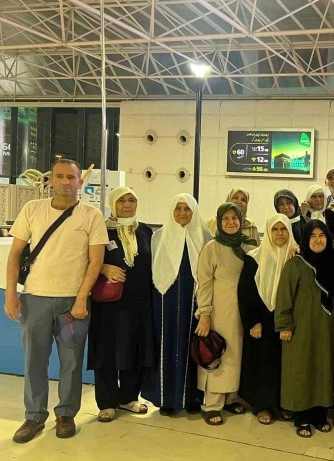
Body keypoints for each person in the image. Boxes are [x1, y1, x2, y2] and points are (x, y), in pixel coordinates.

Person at [6, 159, 108, 443]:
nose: (65, 182)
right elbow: (15, 255)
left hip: (71, 303)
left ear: (80, 182)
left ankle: (66, 414)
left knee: (71, 362)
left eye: (71, 177)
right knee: (34, 361)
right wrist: (12, 294)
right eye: (59, 176)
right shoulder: (32, 209)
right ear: (50, 180)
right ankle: (34, 416)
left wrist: (81, 298)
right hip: (35, 299)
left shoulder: (91, 216)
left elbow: (95, 261)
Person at [88, 187, 154, 423]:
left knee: (134, 349)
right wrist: (104, 268)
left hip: (139, 304)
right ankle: (106, 402)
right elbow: (85, 258)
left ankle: (128, 397)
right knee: (106, 351)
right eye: (121, 201)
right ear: (113, 204)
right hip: (108, 305)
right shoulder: (101, 230)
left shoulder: (145, 231)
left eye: (131, 200)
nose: (127, 205)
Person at [142, 193, 211, 415]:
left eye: (187, 208)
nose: (182, 213)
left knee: (192, 348)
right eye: (178, 208)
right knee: (166, 346)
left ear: (194, 211)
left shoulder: (205, 237)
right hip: (165, 302)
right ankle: (166, 399)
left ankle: (192, 398)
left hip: (195, 302)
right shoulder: (158, 237)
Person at [276, 220, 334, 438]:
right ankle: (301, 417)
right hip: (301, 329)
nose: (317, 240)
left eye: (321, 235)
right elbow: (284, 296)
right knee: (301, 370)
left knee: (323, 369)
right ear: (305, 239)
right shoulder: (296, 264)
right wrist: (284, 325)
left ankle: (320, 415)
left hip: (327, 328)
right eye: (312, 236)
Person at [238, 214, 297, 425]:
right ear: (268, 232)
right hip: (262, 321)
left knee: (285, 365)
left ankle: (284, 404)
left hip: (288, 320)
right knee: (263, 363)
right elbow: (245, 293)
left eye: (284, 229)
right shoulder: (254, 258)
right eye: (275, 229)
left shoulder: (296, 256)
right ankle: (262, 406)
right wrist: (253, 321)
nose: (280, 234)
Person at [194, 203, 248, 426]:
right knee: (218, 353)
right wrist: (204, 313)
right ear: (219, 221)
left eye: (234, 218)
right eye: (225, 218)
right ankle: (212, 404)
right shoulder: (212, 248)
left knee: (236, 355)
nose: (230, 222)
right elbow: (204, 283)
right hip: (219, 312)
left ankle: (231, 398)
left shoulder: (245, 245)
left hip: (240, 312)